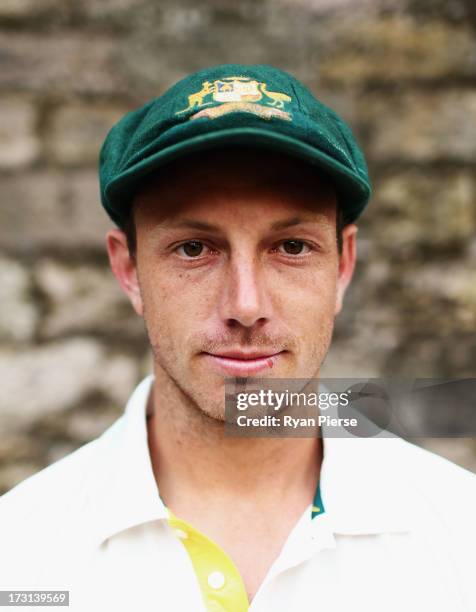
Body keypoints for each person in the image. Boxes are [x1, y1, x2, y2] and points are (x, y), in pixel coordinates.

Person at [1, 64, 475, 612]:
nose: (246, 305)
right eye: (194, 249)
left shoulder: (460, 537)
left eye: (292, 247)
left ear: (343, 266)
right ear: (129, 270)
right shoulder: (20, 559)